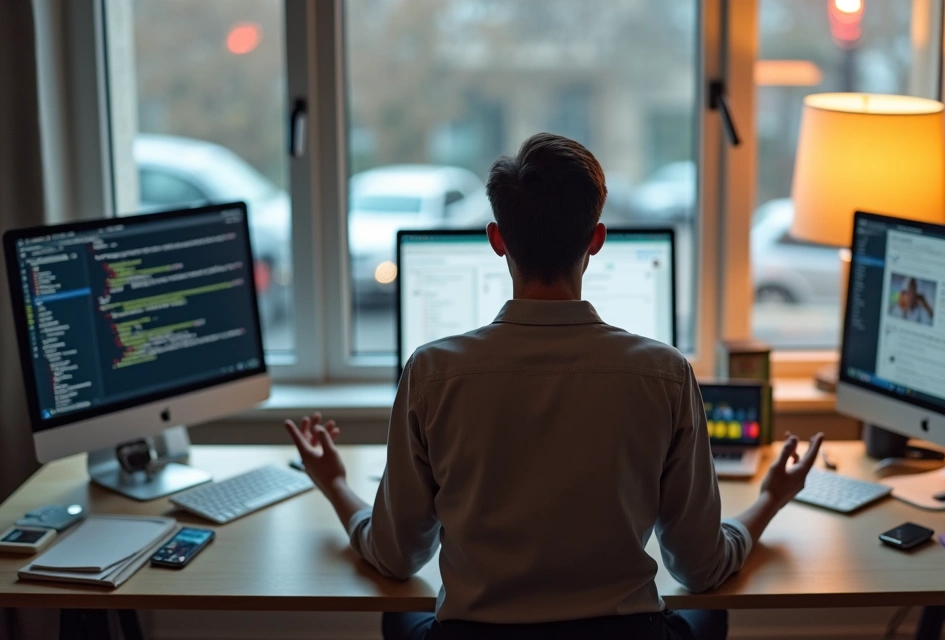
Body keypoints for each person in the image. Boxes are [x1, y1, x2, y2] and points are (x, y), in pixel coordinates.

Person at [286, 133, 822, 640]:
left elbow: (396, 557)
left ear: (497, 240)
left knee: (395, 616)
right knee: (712, 613)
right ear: (596, 238)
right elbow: (700, 570)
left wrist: (335, 483)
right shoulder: (665, 373)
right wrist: (770, 501)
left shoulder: (431, 373)